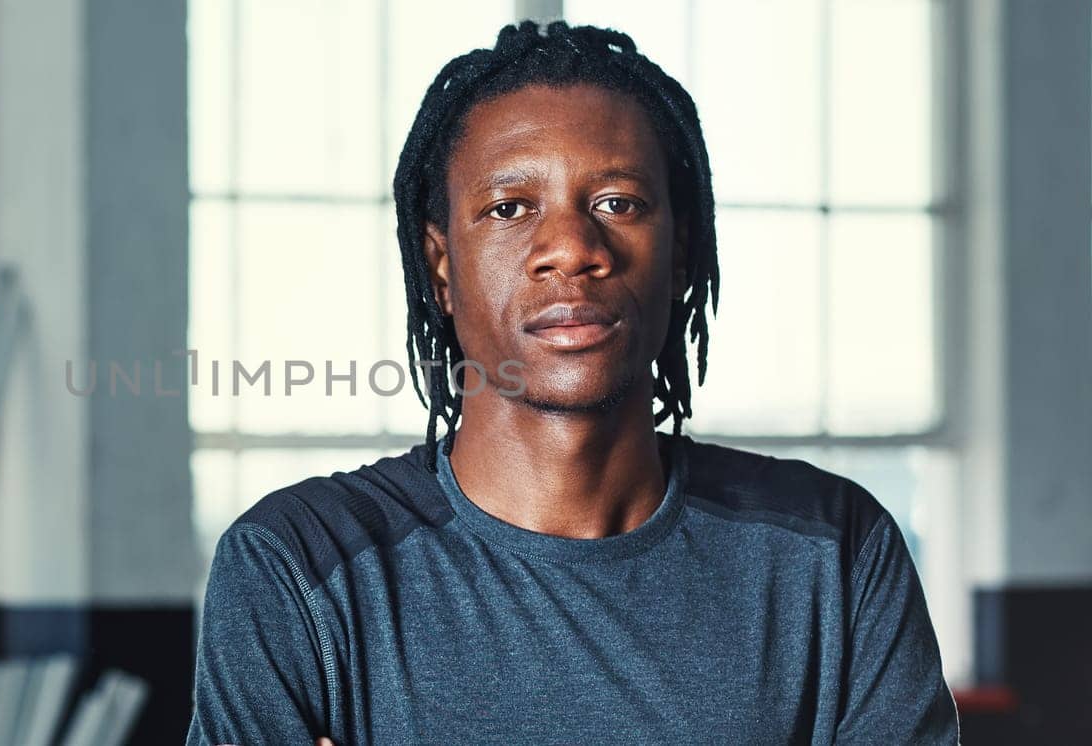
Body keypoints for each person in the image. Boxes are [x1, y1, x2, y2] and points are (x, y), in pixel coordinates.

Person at [186, 19, 959, 745]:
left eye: (618, 203)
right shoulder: (297, 567)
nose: (571, 247)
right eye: (510, 207)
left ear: (680, 250)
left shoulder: (835, 551)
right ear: (440, 265)